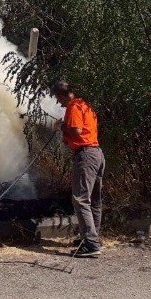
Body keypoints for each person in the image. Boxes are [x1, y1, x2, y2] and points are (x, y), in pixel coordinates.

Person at [53, 80, 104, 257]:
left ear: (61, 96)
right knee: (94, 200)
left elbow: (75, 131)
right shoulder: (85, 106)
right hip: (96, 153)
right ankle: (92, 237)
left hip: (86, 155)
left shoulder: (73, 106)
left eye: (58, 99)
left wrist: (60, 127)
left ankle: (90, 243)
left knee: (81, 199)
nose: (59, 103)